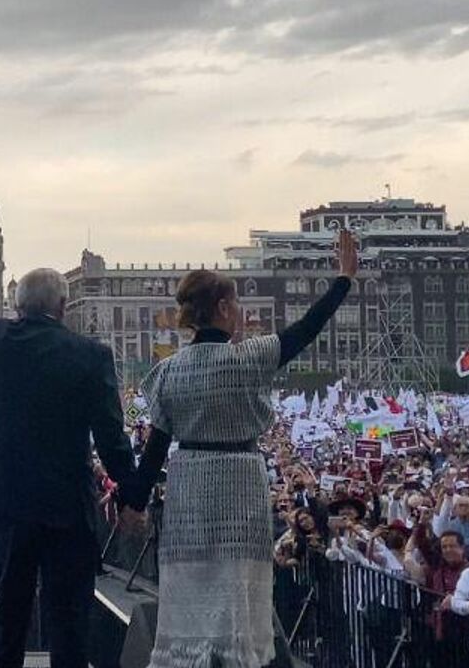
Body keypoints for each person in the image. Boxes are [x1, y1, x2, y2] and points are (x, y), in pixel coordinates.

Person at [118, 230, 357, 668]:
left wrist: (131, 501)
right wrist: (342, 280)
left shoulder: (168, 372)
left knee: (191, 588)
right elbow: (307, 328)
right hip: (240, 483)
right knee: (240, 590)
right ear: (225, 308)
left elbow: (155, 448)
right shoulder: (250, 357)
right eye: (236, 305)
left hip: (188, 482)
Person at [0, 264, 140, 668]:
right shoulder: (90, 356)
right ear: (63, 306)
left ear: (17, 307)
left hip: (7, 504)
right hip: (67, 507)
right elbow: (111, 438)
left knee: (5, 616)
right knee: (69, 621)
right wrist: (132, 498)